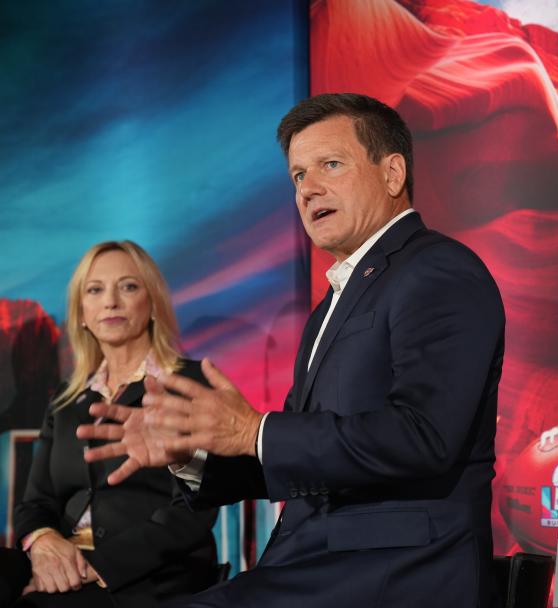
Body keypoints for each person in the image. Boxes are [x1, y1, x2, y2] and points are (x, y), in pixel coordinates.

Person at [78, 93, 506, 607]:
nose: (309, 189)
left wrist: (252, 430)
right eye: (299, 176)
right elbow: (308, 457)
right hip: (313, 567)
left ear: (392, 174)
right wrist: (192, 455)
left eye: (330, 164)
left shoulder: (437, 270)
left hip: (398, 571)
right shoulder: (330, 307)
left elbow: (424, 435)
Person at [0, 241, 219, 608]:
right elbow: (35, 503)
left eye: (128, 286)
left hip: (148, 573)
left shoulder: (191, 384)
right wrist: (43, 543)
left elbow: (195, 510)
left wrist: (94, 566)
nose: (111, 301)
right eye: (95, 289)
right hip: (64, 556)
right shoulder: (67, 401)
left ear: (152, 303)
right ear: (82, 312)